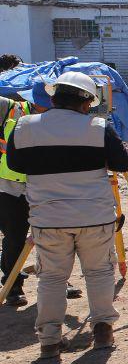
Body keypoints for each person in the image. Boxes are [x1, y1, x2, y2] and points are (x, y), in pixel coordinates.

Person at [6, 71, 128, 357]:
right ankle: (102, 331)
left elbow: (15, 165)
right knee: (99, 272)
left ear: (54, 97)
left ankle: (49, 340)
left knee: (51, 279)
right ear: (87, 101)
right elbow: (122, 164)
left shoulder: (24, 126)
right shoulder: (98, 127)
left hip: (48, 219)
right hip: (94, 217)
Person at [0, 92, 44, 307]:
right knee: (15, 238)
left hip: (47, 187)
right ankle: (13, 285)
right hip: (10, 187)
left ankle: (55, 282)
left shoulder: (62, 116)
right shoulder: (10, 109)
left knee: (54, 236)